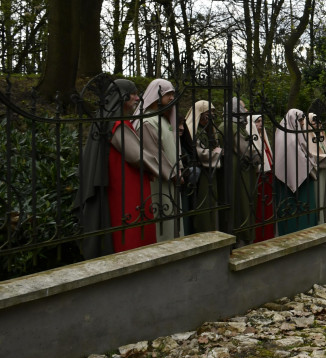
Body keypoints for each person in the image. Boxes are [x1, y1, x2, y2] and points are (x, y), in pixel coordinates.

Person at [75, 79, 161, 258]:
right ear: (123, 96)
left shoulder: (106, 119)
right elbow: (137, 156)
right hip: (125, 186)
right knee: (132, 233)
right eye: (134, 94)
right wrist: (157, 168)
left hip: (120, 183)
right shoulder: (116, 123)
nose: (137, 98)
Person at [138, 79, 182, 241]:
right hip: (160, 180)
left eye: (173, 94)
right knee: (164, 224)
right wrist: (174, 174)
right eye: (168, 94)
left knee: (173, 221)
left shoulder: (161, 119)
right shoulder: (147, 122)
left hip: (172, 178)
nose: (172, 98)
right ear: (156, 95)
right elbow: (154, 155)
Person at [274, 109, 319, 234]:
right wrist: (311, 164)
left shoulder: (281, 132)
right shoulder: (291, 137)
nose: (303, 123)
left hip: (286, 180)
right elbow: (301, 157)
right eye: (300, 120)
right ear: (292, 120)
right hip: (301, 180)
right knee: (299, 212)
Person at [223, 97, 261, 244]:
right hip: (238, 170)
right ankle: (242, 237)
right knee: (242, 203)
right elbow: (245, 150)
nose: (246, 110)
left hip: (241, 169)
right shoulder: (231, 126)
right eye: (243, 108)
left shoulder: (235, 126)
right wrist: (257, 158)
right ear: (235, 109)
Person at [182, 100, 224, 233]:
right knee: (203, 204)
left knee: (211, 202)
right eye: (208, 113)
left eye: (213, 113)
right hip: (202, 174)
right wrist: (216, 153)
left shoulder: (206, 130)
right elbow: (200, 153)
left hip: (210, 172)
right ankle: (204, 232)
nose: (211, 116)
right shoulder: (193, 130)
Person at [249, 114, 276, 242]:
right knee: (260, 207)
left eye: (261, 121)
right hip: (259, 176)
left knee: (268, 207)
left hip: (268, 175)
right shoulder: (251, 138)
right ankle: (259, 236)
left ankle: (269, 234)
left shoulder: (263, 137)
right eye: (257, 121)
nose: (260, 123)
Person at [306, 112, 326, 223]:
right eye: (314, 121)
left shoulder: (321, 134)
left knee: (325, 195)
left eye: (318, 120)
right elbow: (311, 154)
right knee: (318, 195)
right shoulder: (307, 136)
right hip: (316, 171)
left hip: (325, 169)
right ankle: (318, 220)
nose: (317, 123)